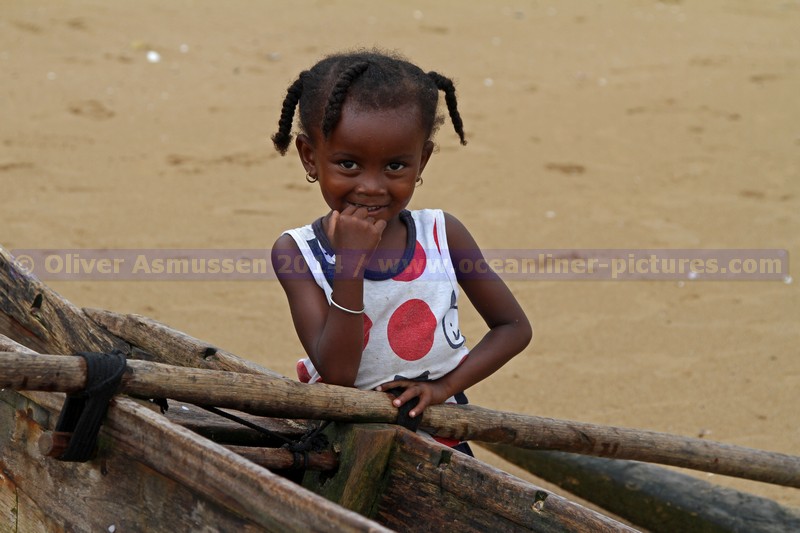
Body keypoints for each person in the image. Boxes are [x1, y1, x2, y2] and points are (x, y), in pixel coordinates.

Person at [270, 49, 532, 453]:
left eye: (395, 166)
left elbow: (513, 328)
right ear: (310, 157)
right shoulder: (297, 253)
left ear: (422, 160)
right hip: (340, 446)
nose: (372, 186)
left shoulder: (443, 234)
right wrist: (350, 266)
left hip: (439, 440)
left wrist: (444, 387)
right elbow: (339, 375)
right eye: (348, 164)